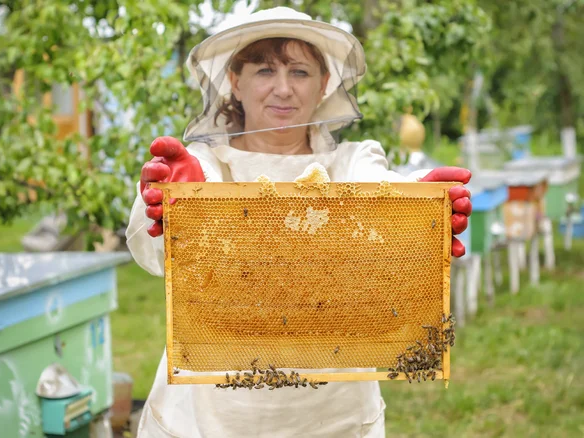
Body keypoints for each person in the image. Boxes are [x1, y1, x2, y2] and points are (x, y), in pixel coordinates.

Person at [126, 7, 472, 438]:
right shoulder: (206, 164)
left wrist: (423, 201)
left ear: (324, 83)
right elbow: (154, 246)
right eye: (265, 70)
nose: (283, 88)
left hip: (333, 411)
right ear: (235, 80)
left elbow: (380, 188)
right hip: (213, 411)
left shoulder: (351, 161)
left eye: (300, 72)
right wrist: (177, 203)